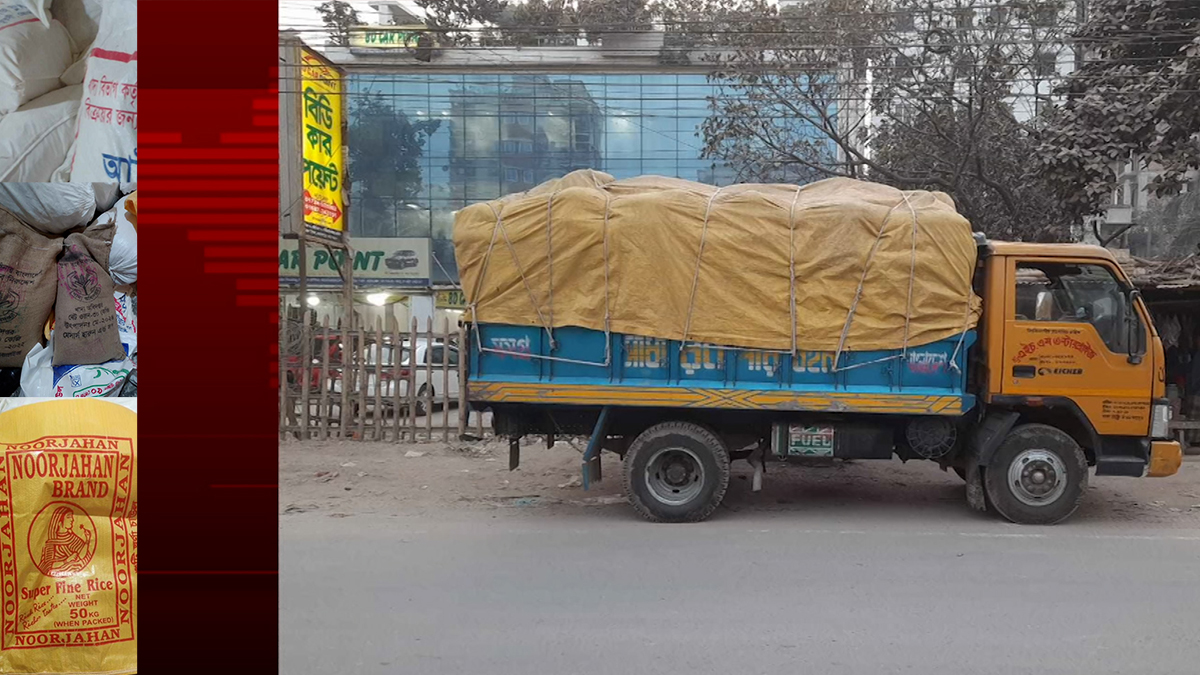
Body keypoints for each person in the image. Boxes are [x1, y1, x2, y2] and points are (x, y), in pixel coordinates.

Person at [38, 507, 91, 577]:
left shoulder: (73, 538)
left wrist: (87, 541)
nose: (72, 520)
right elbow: (48, 565)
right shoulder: (51, 542)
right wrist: (66, 561)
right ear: (59, 521)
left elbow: (82, 557)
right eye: (68, 517)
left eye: (72, 517)